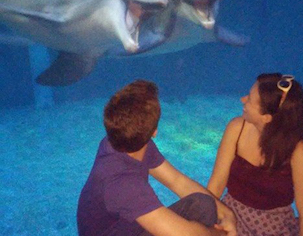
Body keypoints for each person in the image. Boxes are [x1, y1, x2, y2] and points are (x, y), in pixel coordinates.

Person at [77, 79, 236, 236]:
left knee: (204, 205)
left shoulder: (123, 141)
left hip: (129, 226)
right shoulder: (121, 183)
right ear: (154, 132)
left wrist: (227, 214)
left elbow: (177, 181)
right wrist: (219, 233)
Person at [207, 73, 303, 236]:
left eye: (250, 100)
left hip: (274, 228)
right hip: (230, 217)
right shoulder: (237, 128)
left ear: (266, 118)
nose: (243, 100)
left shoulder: (299, 151)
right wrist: (205, 222)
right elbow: (216, 185)